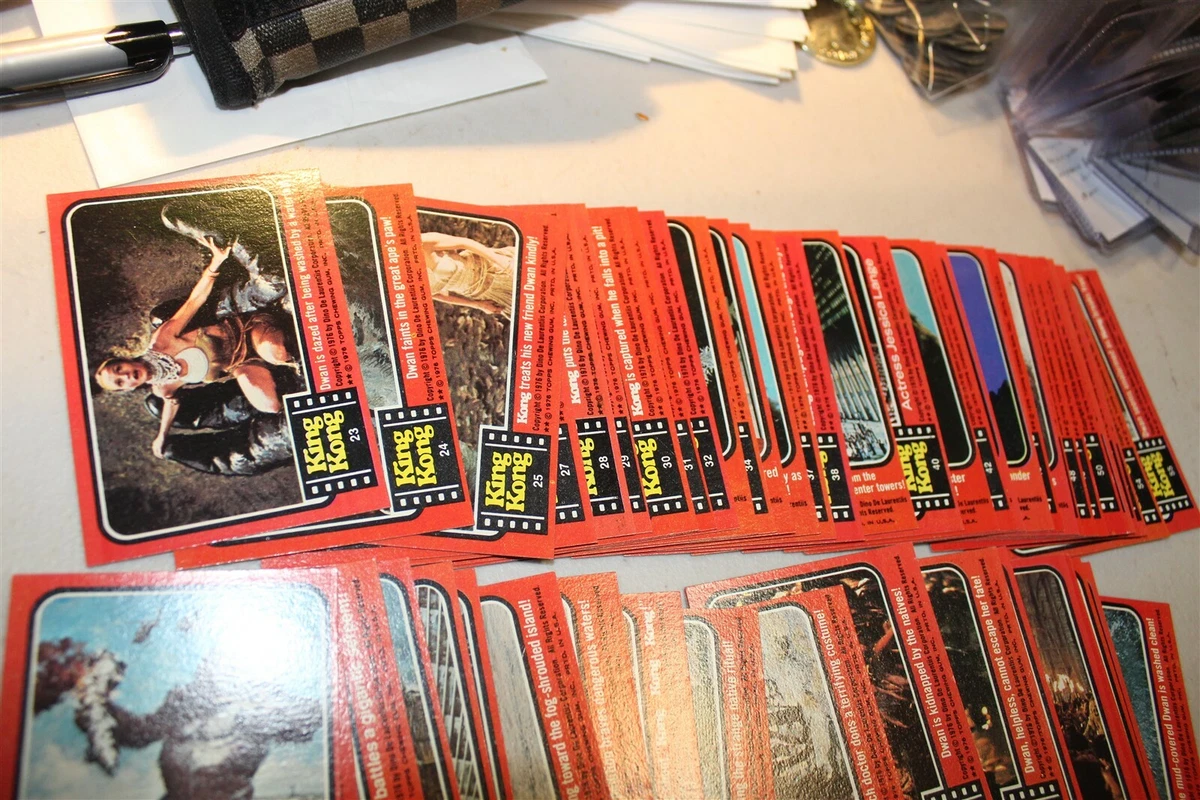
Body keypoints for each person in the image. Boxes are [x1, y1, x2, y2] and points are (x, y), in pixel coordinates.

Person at [94, 236, 293, 459]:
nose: (126, 376)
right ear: (128, 389)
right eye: (120, 382)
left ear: (125, 360)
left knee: (275, 352)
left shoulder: (161, 341)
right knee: (269, 406)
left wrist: (215, 263)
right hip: (241, 364)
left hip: (246, 330)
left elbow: (193, 301)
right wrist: (162, 435)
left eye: (119, 369)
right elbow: (171, 404)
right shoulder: (162, 388)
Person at [421, 231, 516, 317]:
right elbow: (436, 295)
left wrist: (502, 263)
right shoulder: (412, 285)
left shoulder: (421, 242)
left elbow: (465, 243)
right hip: (489, 295)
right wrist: (477, 305)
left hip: (498, 271)